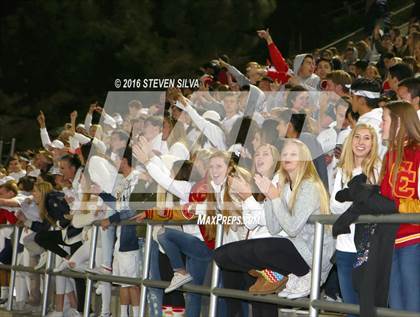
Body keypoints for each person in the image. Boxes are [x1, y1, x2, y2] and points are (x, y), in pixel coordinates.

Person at [215, 140, 334, 317]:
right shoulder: (284, 185)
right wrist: (270, 195)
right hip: (290, 248)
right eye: (285, 154)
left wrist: (273, 197)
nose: (287, 157)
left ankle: (292, 274)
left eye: (293, 154)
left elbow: (292, 228)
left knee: (261, 248)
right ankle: (271, 273)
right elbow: (274, 226)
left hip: (310, 256)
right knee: (221, 255)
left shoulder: (309, 185)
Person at [330, 124, 381, 317]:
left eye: (366, 138)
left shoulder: (378, 168)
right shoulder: (343, 169)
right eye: (357, 137)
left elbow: (373, 205)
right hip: (344, 246)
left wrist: (348, 196)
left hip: (368, 247)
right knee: (350, 307)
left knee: (368, 307)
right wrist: (356, 197)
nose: (361, 142)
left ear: (373, 142)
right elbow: (334, 205)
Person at [380, 101, 420, 313]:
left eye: (384, 120)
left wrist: (394, 206)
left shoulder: (419, 152)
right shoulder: (390, 154)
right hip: (390, 237)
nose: (381, 125)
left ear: (398, 122)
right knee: (395, 305)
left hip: (414, 237)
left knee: (413, 302)